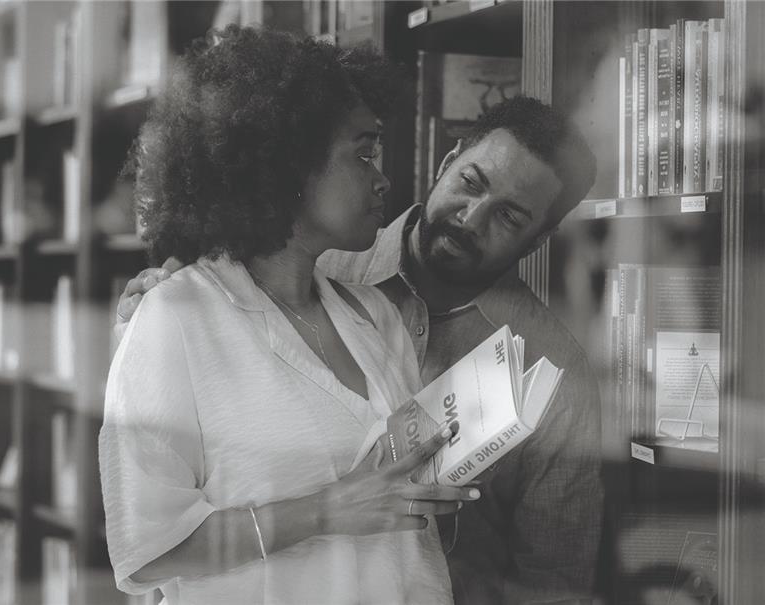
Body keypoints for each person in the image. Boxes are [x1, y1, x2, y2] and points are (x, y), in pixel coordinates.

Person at [117, 95, 604, 602]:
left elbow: (554, 579)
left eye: (508, 217)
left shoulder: (554, 371)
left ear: (538, 240)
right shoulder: (307, 267)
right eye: (471, 182)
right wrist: (164, 309)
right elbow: (156, 522)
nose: (471, 218)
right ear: (446, 161)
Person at [100, 26, 480, 605]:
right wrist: (326, 511)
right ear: (288, 168)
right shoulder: (175, 319)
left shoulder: (376, 316)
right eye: (363, 154)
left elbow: (405, 524)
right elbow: (146, 549)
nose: (383, 180)